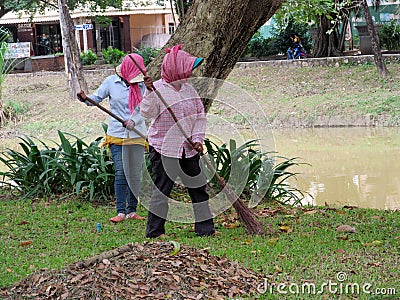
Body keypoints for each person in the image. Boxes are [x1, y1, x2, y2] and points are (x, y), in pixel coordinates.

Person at [140, 44, 215, 238]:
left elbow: (200, 115)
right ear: (176, 70)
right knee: (162, 190)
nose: (189, 75)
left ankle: (205, 229)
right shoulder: (157, 89)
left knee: (199, 188)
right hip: (164, 149)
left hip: (189, 149)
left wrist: (198, 139)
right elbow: (146, 112)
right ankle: (155, 232)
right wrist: (148, 92)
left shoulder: (189, 90)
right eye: (186, 70)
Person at [77, 53, 147, 223]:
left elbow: (147, 108)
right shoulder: (111, 82)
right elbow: (96, 98)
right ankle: (121, 211)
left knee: (135, 173)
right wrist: (85, 98)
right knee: (121, 172)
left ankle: (132, 210)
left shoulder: (144, 86)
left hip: (137, 134)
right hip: (117, 135)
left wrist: (133, 121)